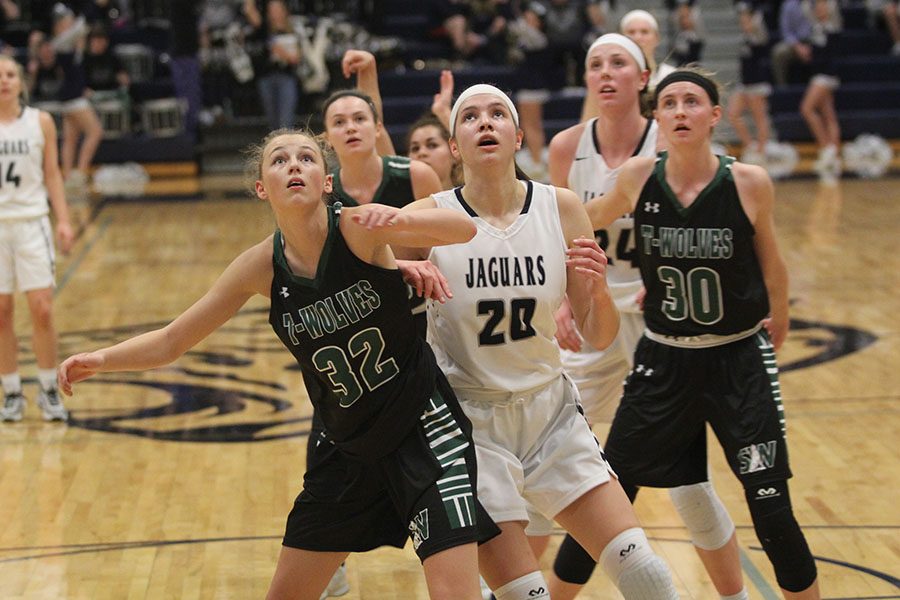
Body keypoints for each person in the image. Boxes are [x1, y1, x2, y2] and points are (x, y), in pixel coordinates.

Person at [58, 128, 500, 600]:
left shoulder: (356, 228)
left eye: (307, 158)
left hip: (423, 429)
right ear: (260, 188)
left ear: (327, 181)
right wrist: (101, 359)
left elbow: (464, 230)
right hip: (348, 445)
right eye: (279, 160)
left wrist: (395, 219)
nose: (294, 165)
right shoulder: (259, 267)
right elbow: (172, 340)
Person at [417, 83, 680, 599]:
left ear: (518, 136)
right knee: (526, 594)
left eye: (498, 114)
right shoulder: (429, 215)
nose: (485, 123)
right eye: (469, 117)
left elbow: (598, 334)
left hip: (550, 413)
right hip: (472, 426)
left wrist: (598, 291)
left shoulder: (559, 207)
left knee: (647, 573)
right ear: (454, 146)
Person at [584, 67, 821, 599]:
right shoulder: (638, 176)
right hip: (667, 358)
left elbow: (772, 261)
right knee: (615, 488)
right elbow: (588, 217)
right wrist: (517, 212)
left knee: (772, 510)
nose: (681, 111)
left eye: (693, 102)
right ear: (657, 117)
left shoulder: (749, 181)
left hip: (738, 358)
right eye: (669, 103)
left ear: (715, 116)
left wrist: (777, 314)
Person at [545, 34, 748, 600]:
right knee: (553, 461)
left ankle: (736, 595)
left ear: (643, 80)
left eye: (618, 64)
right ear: (586, 81)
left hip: (663, 324)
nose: (606, 73)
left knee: (688, 485)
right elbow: (561, 232)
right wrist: (564, 299)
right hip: (592, 313)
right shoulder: (567, 145)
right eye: (594, 65)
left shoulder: (673, 133)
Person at [0, 54, 75, 422]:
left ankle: (48, 388)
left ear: (21, 81)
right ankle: (12, 391)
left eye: (11, 74)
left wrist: (62, 220)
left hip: (31, 224)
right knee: (1, 313)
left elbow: (53, 175)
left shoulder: (40, 122)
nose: (4, 81)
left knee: (42, 308)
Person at [582, 10, 675, 122]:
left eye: (644, 32)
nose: (638, 37)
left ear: (657, 38)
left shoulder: (671, 74)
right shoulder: (607, 78)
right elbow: (587, 123)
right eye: (631, 32)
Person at [800, 0, 843, 184]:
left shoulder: (832, 25)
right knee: (828, 114)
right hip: (818, 74)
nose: (819, 8)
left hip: (826, 75)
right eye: (817, 6)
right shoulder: (816, 26)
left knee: (807, 109)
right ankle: (832, 153)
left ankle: (827, 148)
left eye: (823, 5)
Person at [728, 0, 773, 167]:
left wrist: (753, 18)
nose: (743, 21)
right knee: (733, 113)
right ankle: (750, 145)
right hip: (744, 84)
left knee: (760, 117)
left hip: (757, 84)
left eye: (746, 18)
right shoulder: (744, 37)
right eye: (742, 18)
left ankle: (762, 151)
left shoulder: (758, 36)